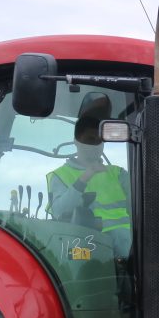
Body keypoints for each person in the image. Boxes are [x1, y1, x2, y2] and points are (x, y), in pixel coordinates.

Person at [46, 94, 132, 259]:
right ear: (77, 142)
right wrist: (85, 177)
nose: (94, 145)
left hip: (127, 246)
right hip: (85, 249)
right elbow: (60, 211)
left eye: (99, 140)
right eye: (89, 139)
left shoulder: (118, 174)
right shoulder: (59, 176)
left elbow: (145, 199)